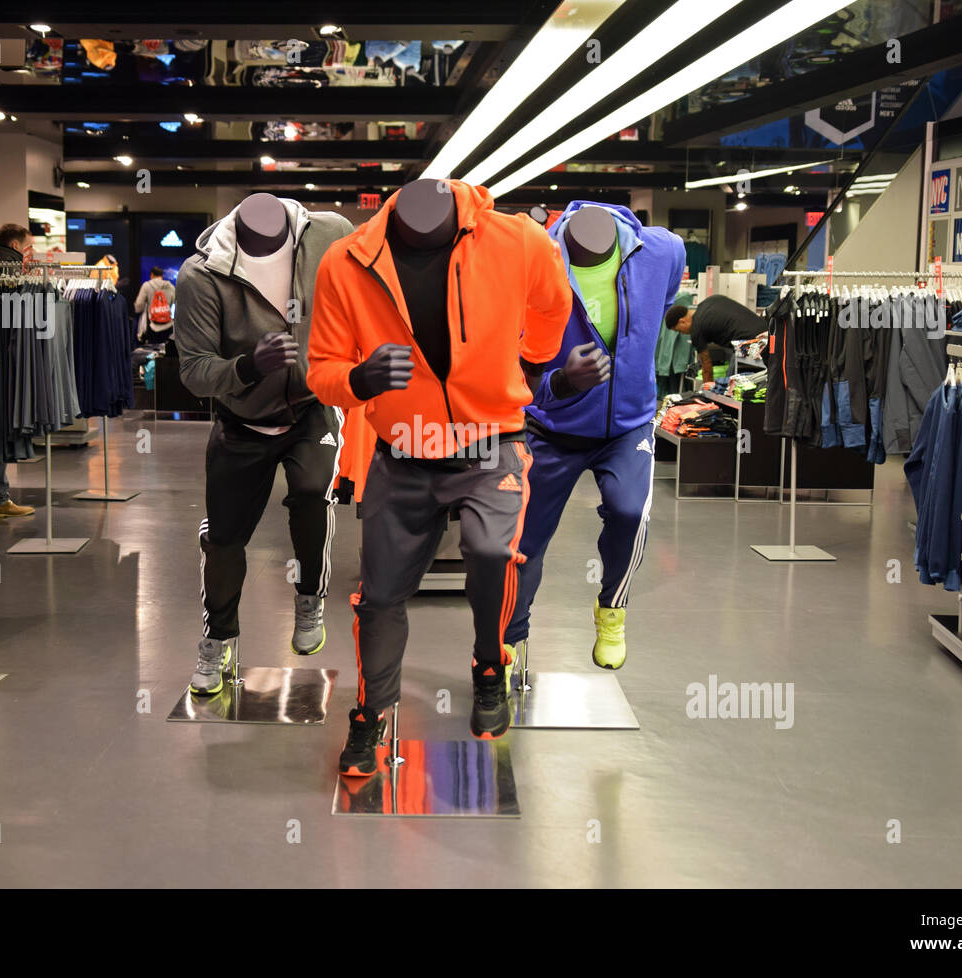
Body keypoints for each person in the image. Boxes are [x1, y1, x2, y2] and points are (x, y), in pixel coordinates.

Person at [307, 178, 571, 774]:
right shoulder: (346, 261)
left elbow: (554, 306)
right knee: (378, 597)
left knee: (490, 550)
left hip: (490, 442)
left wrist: (529, 359)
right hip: (403, 451)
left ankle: (488, 664)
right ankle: (372, 710)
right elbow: (321, 368)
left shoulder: (519, 240)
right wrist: (358, 380)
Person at [175, 195, 353, 698]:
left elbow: (371, 278)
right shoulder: (202, 274)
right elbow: (193, 372)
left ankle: (309, 596)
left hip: (312, 406)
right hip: (241, 419)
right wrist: (250, 366)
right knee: (226, 538)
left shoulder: (328, 233)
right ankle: (218, 637)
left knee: (313, 493)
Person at [505, 202, 684, 672]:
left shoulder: (663, 250)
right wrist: (560, 384)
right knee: (522, 541)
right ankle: (506, 644)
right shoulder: (534, 259)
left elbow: (658, 309)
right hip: (551, 426)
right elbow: (513, 362)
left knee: (630, 512)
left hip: (627, 426)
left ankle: (612, 610)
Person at [0, 223, 36, 518]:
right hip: (1, 358)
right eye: (28, 247)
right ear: (16, 246)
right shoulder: (10, 273)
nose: (31, 253)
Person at [666, 293, 766, 385]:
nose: (682, 333)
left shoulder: (696, 330)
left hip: (747, 344)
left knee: (728, 386)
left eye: (679, 330)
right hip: (766, 332)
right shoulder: (710, 300)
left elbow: (707, 366)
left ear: (682, 321)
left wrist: (706, 392)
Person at [134, 267, 176, 343]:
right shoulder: (170, 287)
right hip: (168, 326)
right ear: (162, 275)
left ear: (152, 275)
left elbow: (138, 307)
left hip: (152, 327)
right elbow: (176, 304)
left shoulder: (146, 286)